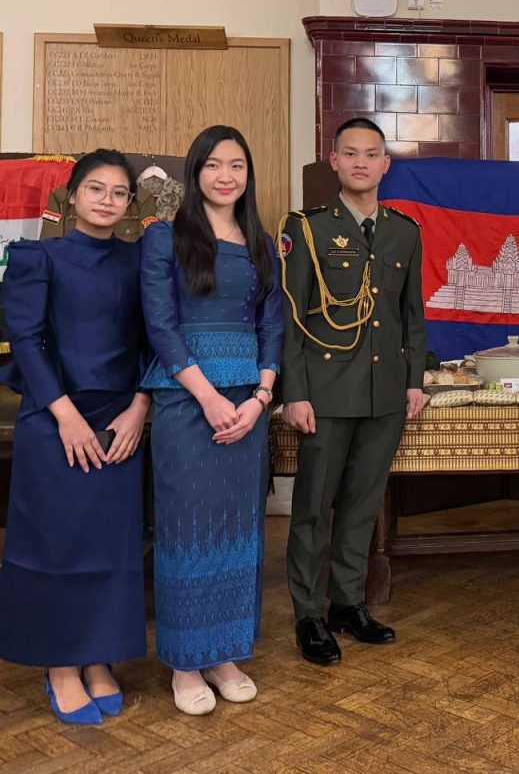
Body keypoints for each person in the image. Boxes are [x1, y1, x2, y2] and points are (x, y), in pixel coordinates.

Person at [0, 149, 150, 724]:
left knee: (110, 549)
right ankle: (60, 665)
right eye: (96, 189)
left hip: (118, 424)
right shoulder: (37, 256)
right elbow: (27, 338)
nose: (107, 200)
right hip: (55, 419)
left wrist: (140, 406)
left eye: (118, 192)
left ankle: (97, 658)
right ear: (72, 195)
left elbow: (152, 340)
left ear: (129, 204)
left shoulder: (138, 262)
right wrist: (64, 413)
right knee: (56, 547)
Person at [140, 125, 282, 716]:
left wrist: (260, 397)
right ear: (195, 171)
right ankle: (184, 661)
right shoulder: (164, 238)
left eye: (238, 166)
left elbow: (272, 323)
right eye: (215, 164)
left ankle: (224, 651)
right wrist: (208, 397)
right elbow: (160, 325)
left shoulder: (260, 241)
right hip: (185, 401)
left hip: (247, 405)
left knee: (238, 530)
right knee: (186, 531)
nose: (227, 176)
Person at [280, 117, 427, 666]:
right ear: (334, 162)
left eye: (372, 154)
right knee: (315, 508)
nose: (361, 162)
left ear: (386, 165)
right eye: (351, 153)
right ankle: (308, 614)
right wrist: (295, 392)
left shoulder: (404, 231)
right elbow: (291, 318)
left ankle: (347, 602)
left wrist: (414, 381)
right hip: (326, 391)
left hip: (385, 391)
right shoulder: (308, 229)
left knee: (363, 506)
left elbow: (412, 314)